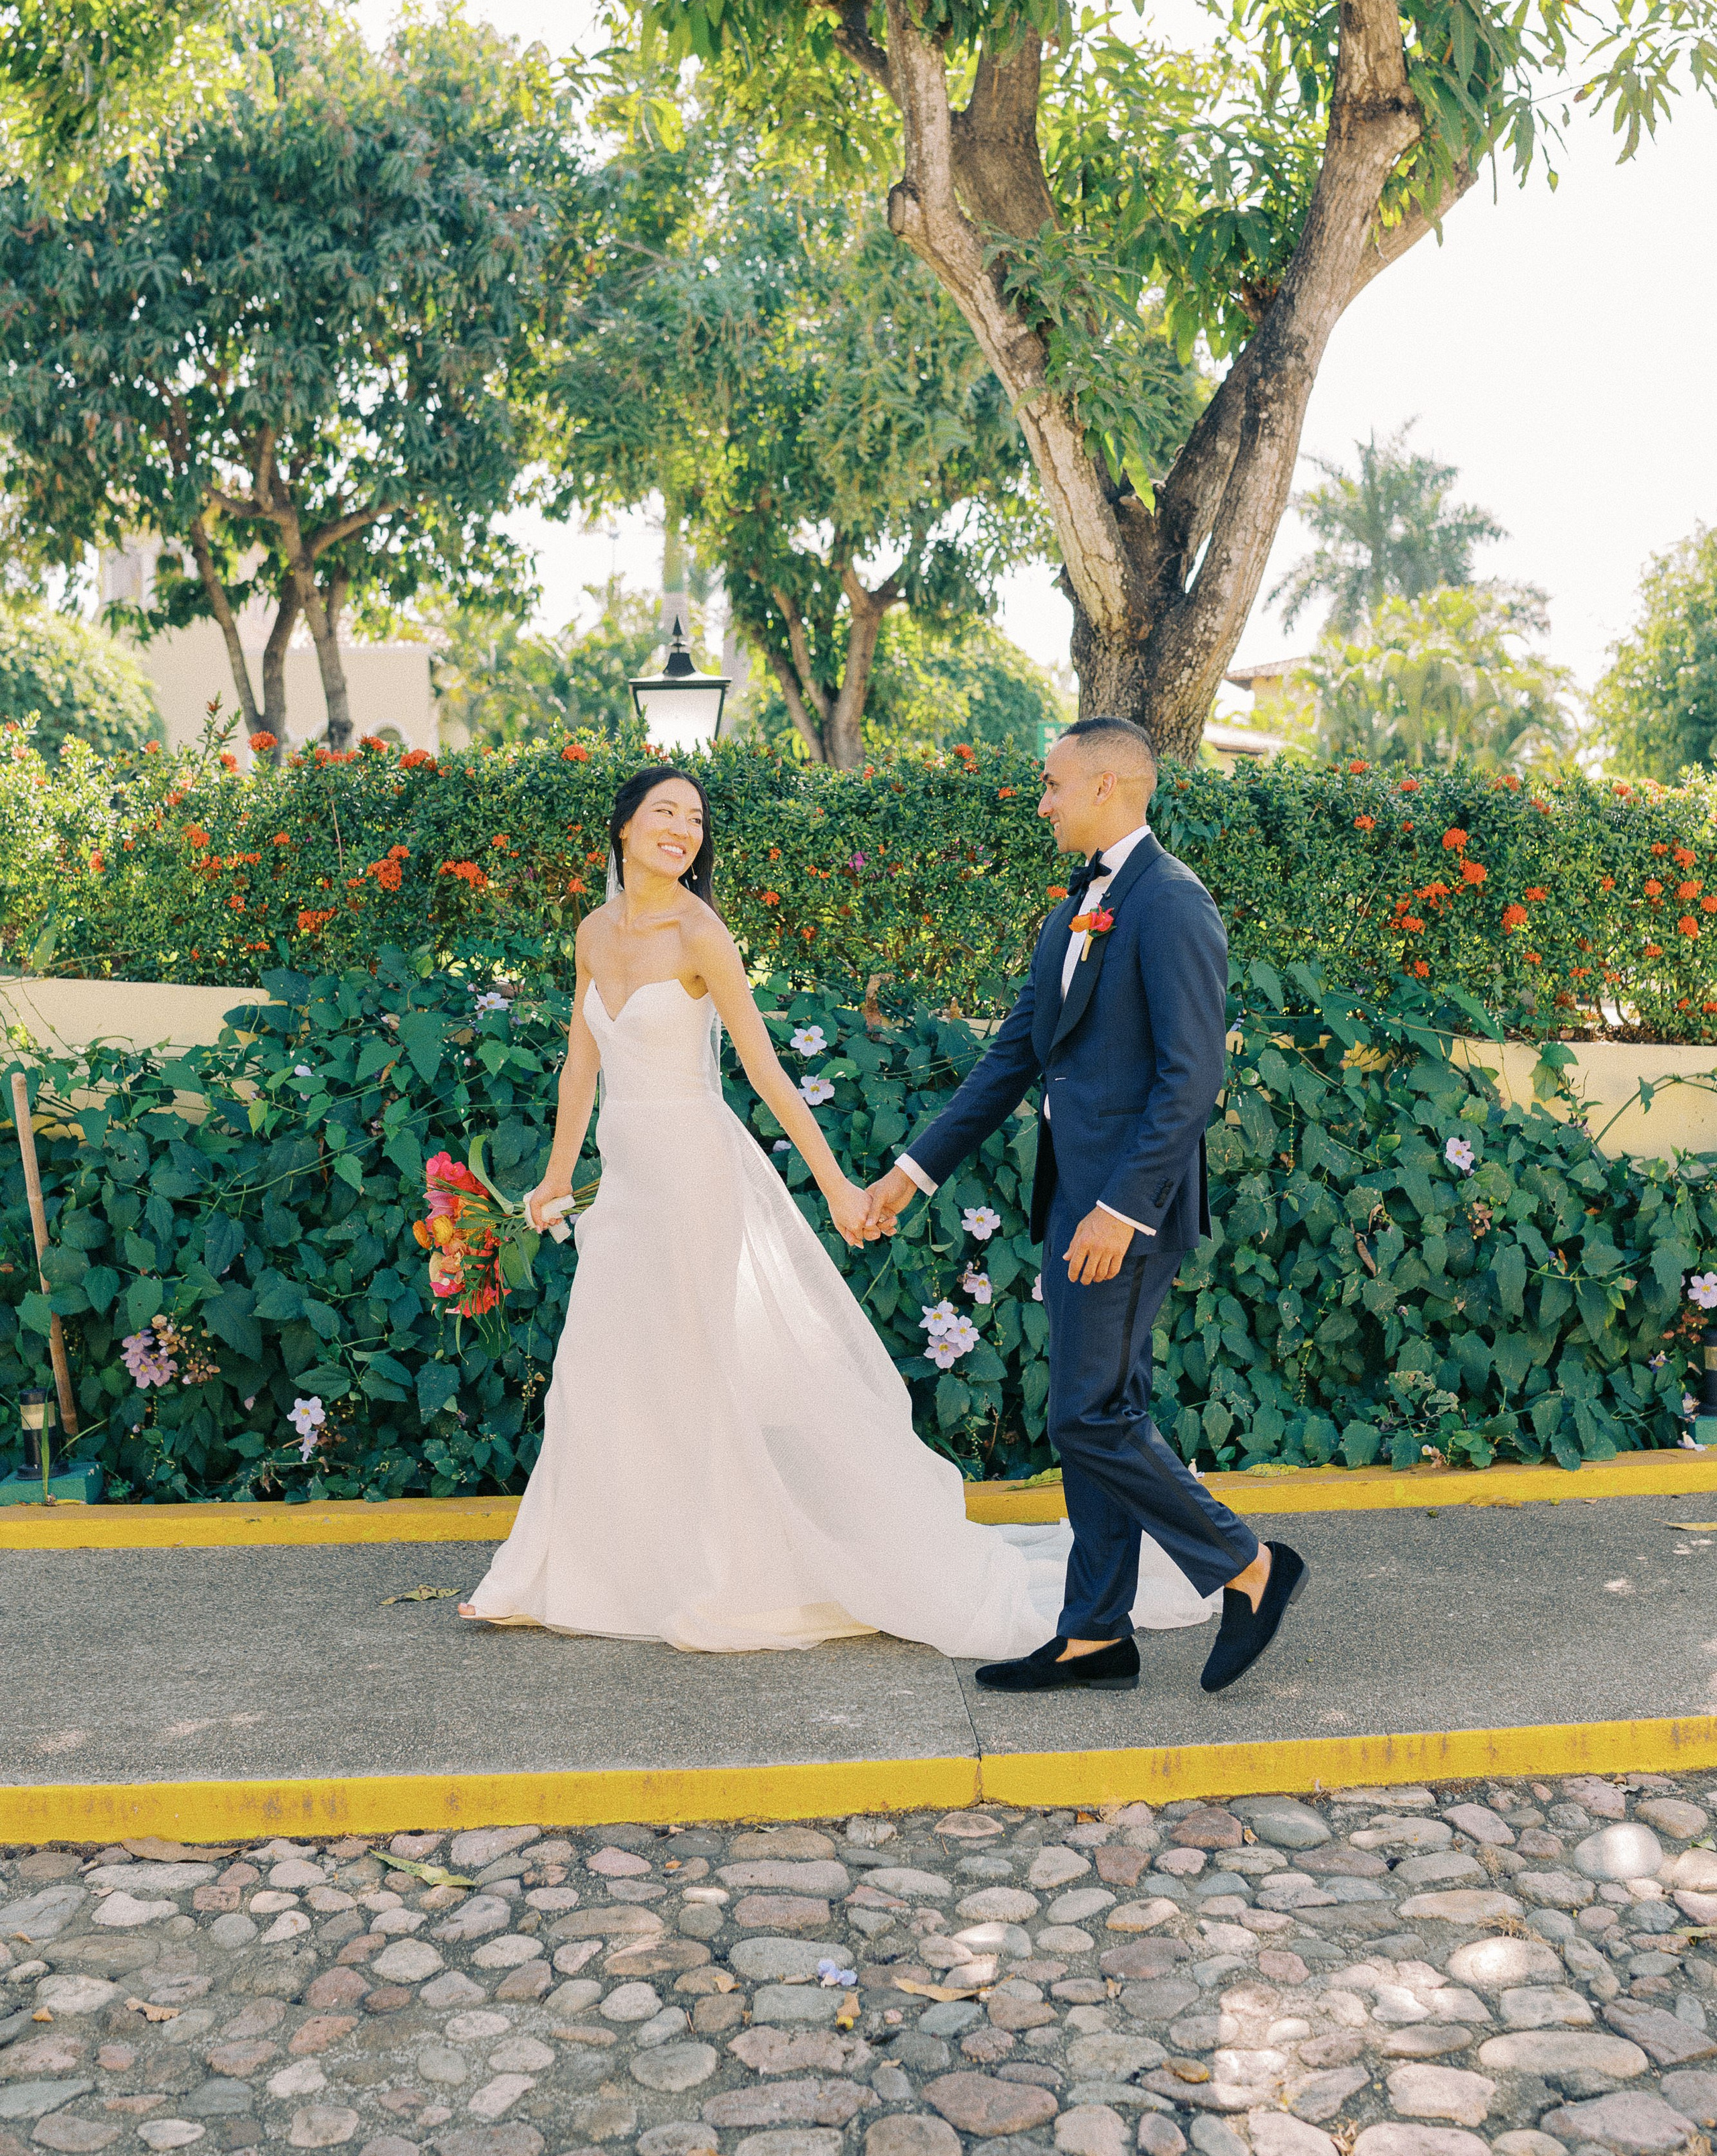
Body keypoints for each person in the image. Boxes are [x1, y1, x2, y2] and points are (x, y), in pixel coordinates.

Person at [458, 762, 1214, 1655]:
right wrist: (553, 1178)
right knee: (601, 1367)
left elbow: (767, 1073)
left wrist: (838, 1186)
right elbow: (582, 1065)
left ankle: (718, 1572)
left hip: (697, 1176)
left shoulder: (702, 934)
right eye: (664, 812)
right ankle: (555, 1571)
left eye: (695, 818)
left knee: (702, 1375)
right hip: (626, 1184)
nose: (682, 829)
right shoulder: (592, 932)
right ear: (623, 827)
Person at [869, 718, 1309, 1694]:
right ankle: (1096, 1632)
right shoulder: (1072, 911)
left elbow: (1191, 1082)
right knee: (1104, 1408)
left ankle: (1247, 1565)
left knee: (1086, 1417)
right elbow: (1012, 1059)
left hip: (1125, 1212)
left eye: (1052, 784)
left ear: (1109, 786)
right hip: (1074, 1200)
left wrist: (1123, 1208)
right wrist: (912, 1175)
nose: (1041, 801)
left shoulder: (1173, 904)